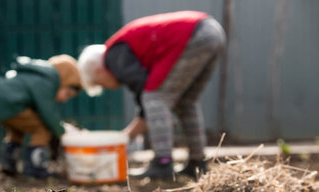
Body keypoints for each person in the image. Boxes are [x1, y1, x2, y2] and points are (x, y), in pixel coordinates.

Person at [77, 11, 225, 180]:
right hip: (212, 31)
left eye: (101, 83)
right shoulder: (121, 49)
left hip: (194, 35)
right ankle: (197, 163)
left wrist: (127, 137)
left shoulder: (113, 56)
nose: (109, 87)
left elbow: (145, 90)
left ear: (98, 71)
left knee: (154, 98)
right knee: (186, 102)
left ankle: (163, 163)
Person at [0, 55, 82, 178]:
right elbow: (48, 113)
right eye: (67, 93)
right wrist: (61, 131)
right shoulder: (46, 82)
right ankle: (35, 168)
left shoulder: (36, 75)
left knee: (18, 130)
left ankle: (8, 163)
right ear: (63, 80)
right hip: (12, 104)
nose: (65, 99)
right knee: (42, 129)